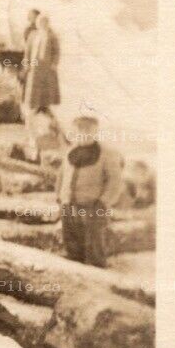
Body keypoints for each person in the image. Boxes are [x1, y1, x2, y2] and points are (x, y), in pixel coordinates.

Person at [56, 109, 125, 268]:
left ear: (95, 131)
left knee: (95, 248)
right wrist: (60, 198)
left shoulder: (106, 153)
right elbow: (61, 176)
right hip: (69, 206)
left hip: (93, 208)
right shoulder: (70, 152)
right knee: (72, 245)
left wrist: (103, 202)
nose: (83, 132)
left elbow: (115, 181)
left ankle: (97, 277)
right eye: (79, 128)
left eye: (88, 129)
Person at [22, 12, 63, 155]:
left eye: (45, 23)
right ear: (37, 24)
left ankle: (44, 106)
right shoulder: (33, 35)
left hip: (47, 68)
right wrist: (26, 64)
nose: (42, 25)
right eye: (40, 23)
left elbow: (57, 51)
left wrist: (54, 63)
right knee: (33, 89)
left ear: (48, 24)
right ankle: (34, 107)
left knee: (46, 90)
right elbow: (27, 51)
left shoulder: (52, 36)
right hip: (35, 67)